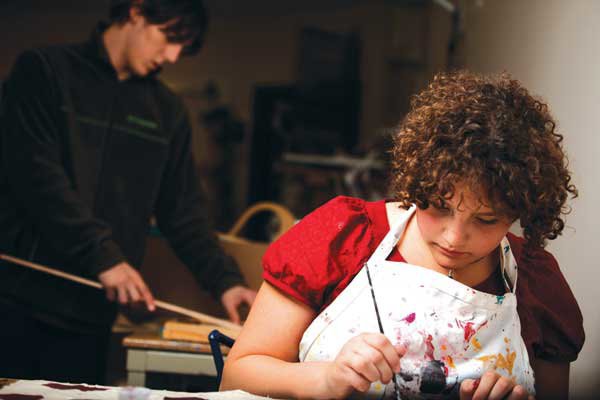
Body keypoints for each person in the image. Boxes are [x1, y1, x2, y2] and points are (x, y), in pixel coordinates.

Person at [220, 71, 585, 399]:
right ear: (418, 183)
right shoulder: (342, 236)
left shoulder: (537, 283)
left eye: (486, 220)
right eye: (439, 207)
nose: (454, 238)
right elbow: (237, 376)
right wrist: (325, 379)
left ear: (520, 211)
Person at [0, 0, 255, 384]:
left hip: (90, 317)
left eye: (181, 48)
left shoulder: (167, 111)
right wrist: (104, 257)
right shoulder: (43, 70)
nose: (172, 56)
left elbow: (183, 212)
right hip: (17, 301)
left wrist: (226, 281)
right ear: (136, 12)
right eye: (168, 38)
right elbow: (38, 180)